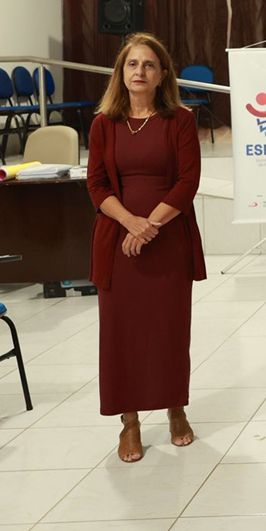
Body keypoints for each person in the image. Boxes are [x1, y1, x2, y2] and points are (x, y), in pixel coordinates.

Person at [86, 32, 207, 462]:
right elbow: (96, 185)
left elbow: (187, 182)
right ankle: (130, 423)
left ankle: (175, 409)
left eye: (149, 65)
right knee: (121, 336)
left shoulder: (180, 120)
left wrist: (150, 225)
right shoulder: (104, 124)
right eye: (132, 64)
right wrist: (131, 223)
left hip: (168, 239)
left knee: (169, 331)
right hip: (118, 243)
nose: (140, 71)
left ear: (162, 75)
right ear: (121, 73)